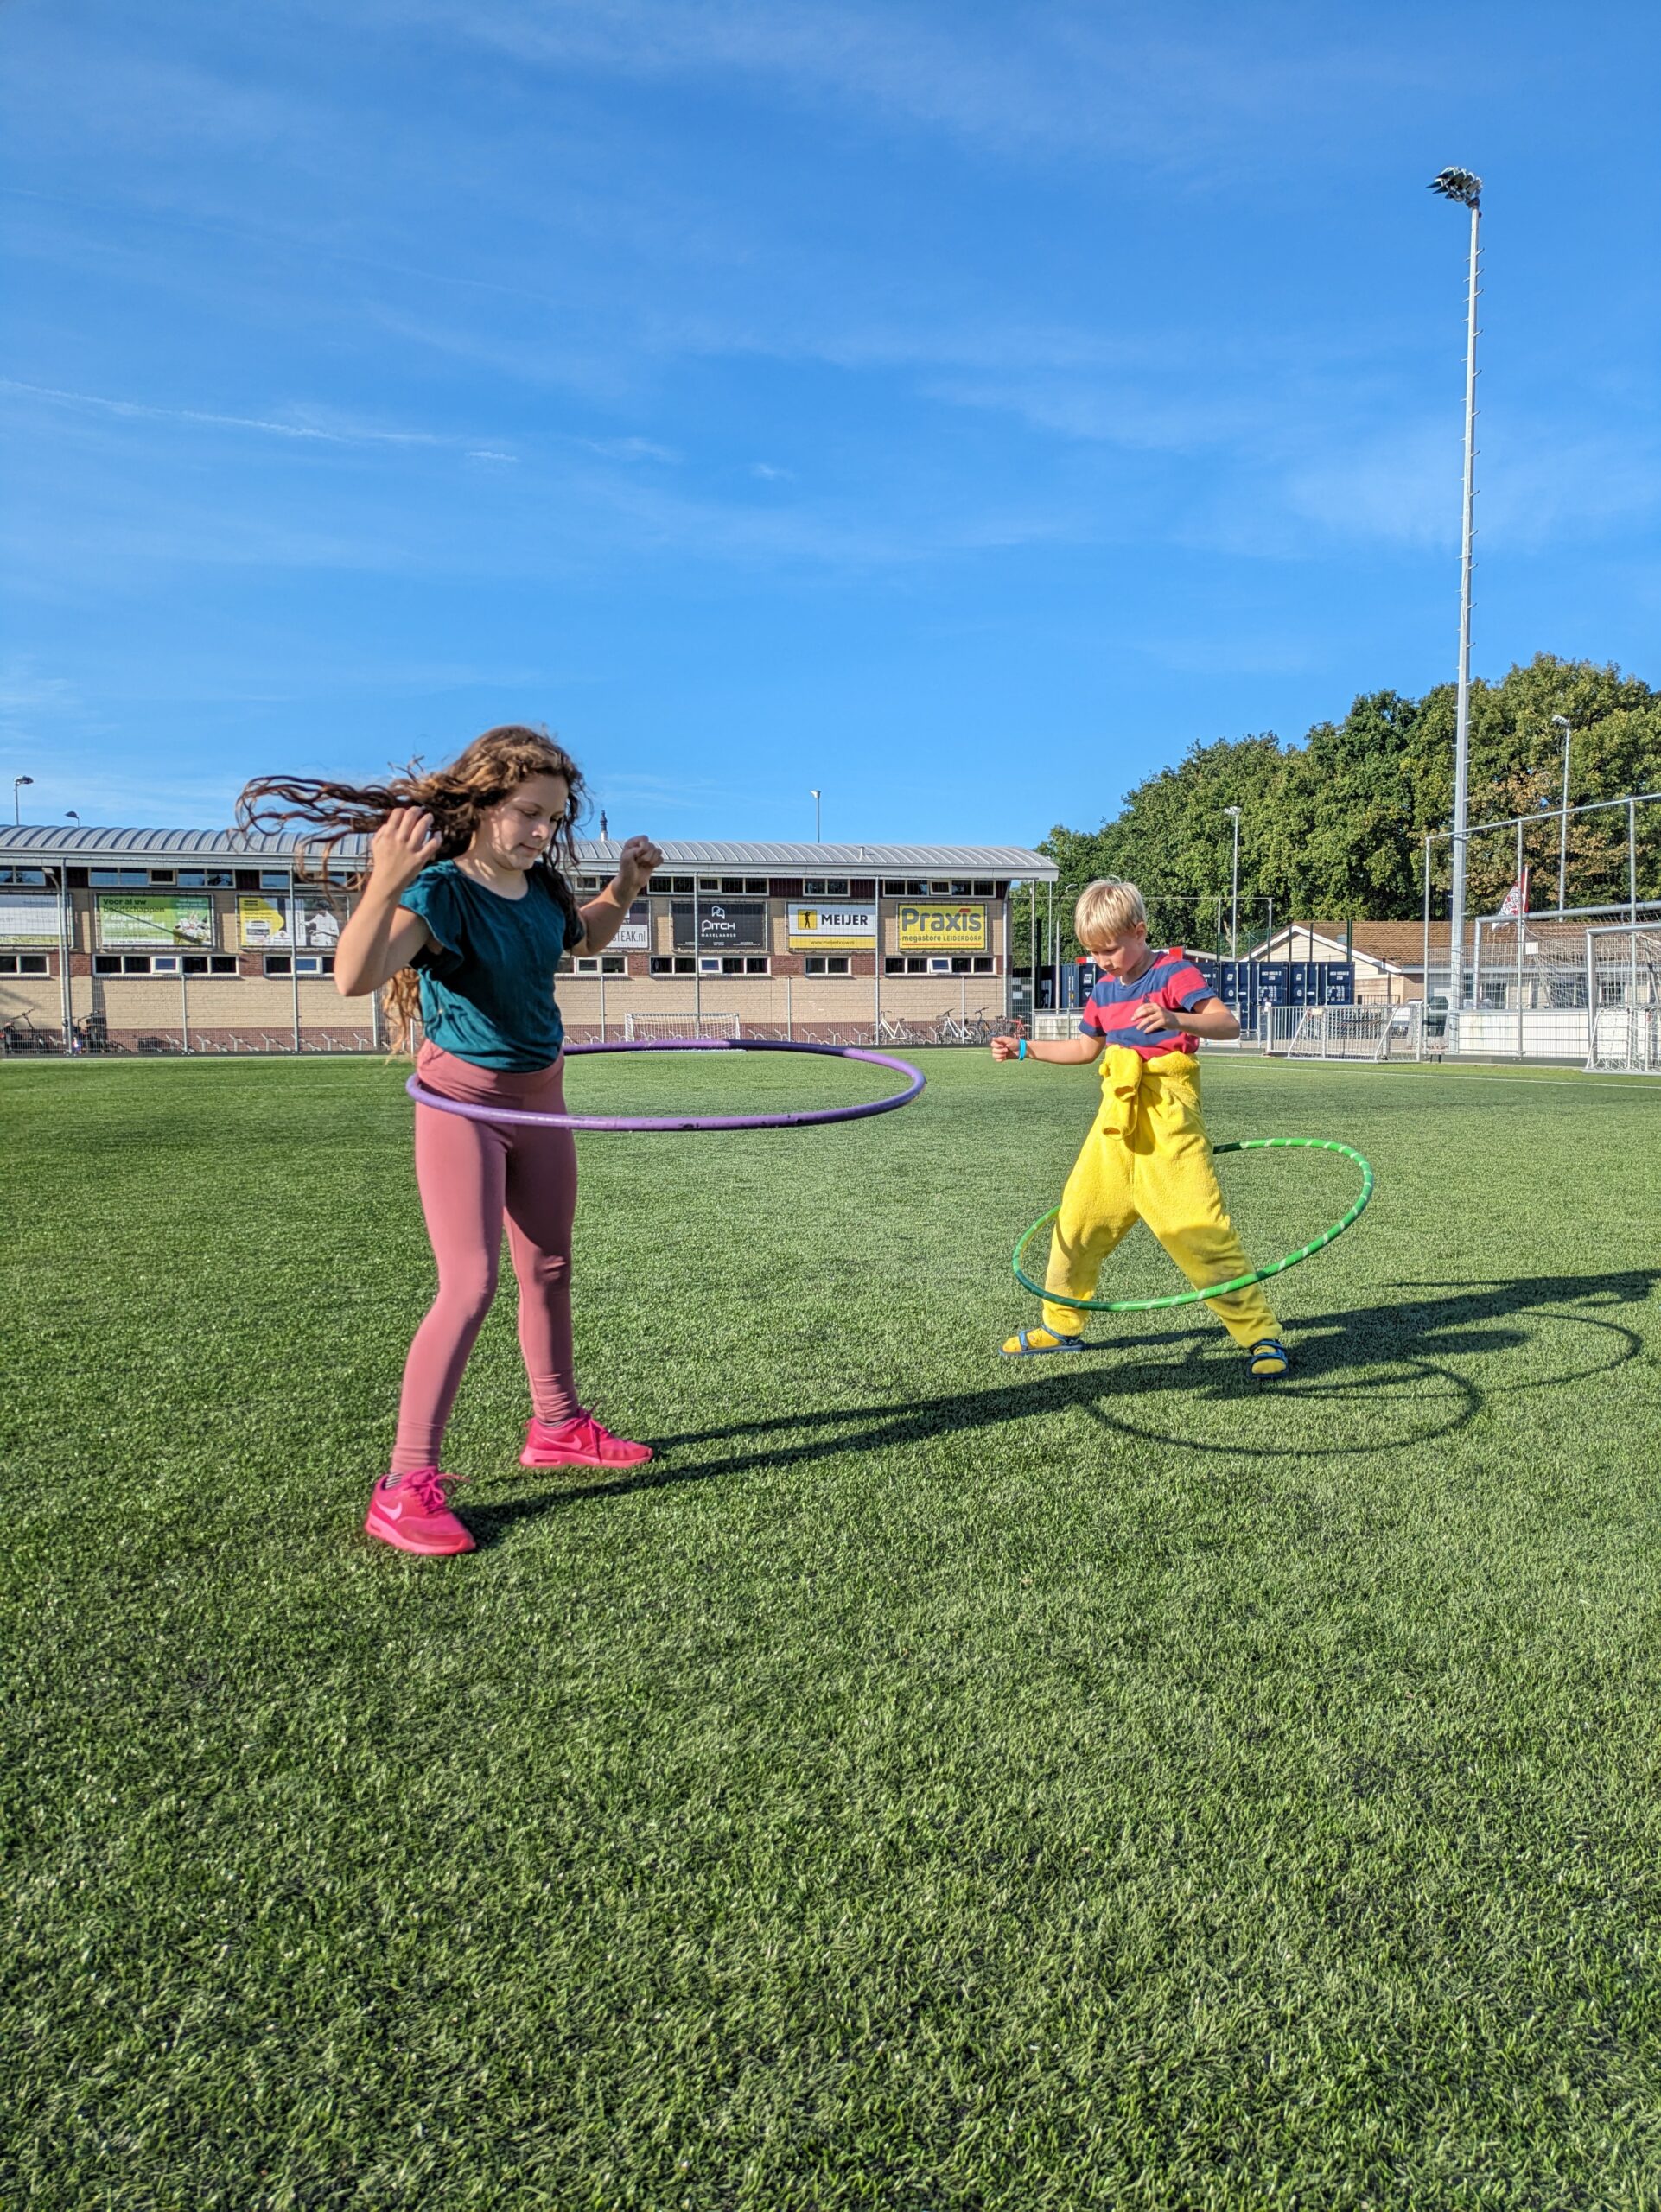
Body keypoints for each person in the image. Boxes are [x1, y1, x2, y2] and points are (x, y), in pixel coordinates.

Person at [239, 725, 664, 1554]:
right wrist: (385, 882)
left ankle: (558, 1427)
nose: (543, 832)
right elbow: (354, 977)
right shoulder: (439, 892)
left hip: (543, 1100)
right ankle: (403, 1486)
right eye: (529, 814)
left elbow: (585, 936)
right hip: (460, 1106)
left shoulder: (538, 889)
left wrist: (628, 883)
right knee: (468, 1285)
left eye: (553, 818)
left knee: (549, 1265)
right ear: (481, 806)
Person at [992, 877, 1289, 1376]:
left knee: (1200, 1231)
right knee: (1077, 1223)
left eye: (1109, 949)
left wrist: (1177, 1021)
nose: (1102, 961)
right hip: (1114, 1120)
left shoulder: (1176, 974)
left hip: (1168, 1116)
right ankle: (1061, 1325)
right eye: (1092, 952)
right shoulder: (1104, 989)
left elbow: (1227, 1024)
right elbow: (1086, 1049)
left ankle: (1260, 1337)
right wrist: (1026, 1048)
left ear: (1139, 930)